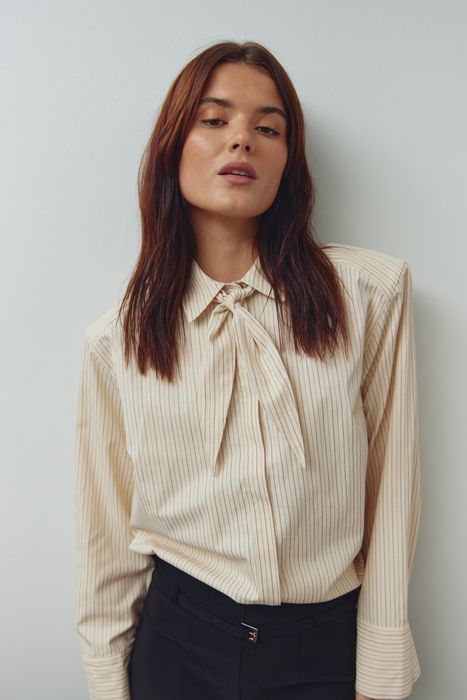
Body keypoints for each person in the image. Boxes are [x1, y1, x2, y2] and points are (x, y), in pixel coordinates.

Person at [74, 40, 422, 700]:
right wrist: (107, 683)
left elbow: (392, 489)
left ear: (288, 161)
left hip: (324, 647)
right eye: (214, 120)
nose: (242, 140)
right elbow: (107, 537)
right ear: (173, 147)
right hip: (176, 646)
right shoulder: (116, 342)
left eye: (269, 128)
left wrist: (379, 674)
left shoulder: (369, 295)